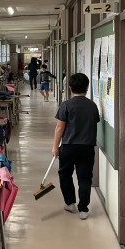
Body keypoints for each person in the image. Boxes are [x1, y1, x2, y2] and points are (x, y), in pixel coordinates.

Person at [51, 73, 100, 220]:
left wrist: (55, 147)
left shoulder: (66, 105)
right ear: (87, 87)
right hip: (87, 147)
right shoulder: (92, 105)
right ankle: (83, 209)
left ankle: (70, 203)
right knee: (85, 177)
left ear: (70, 88)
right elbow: (94, 122)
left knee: (65, 174)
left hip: (68, 146)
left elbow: (59, 127)